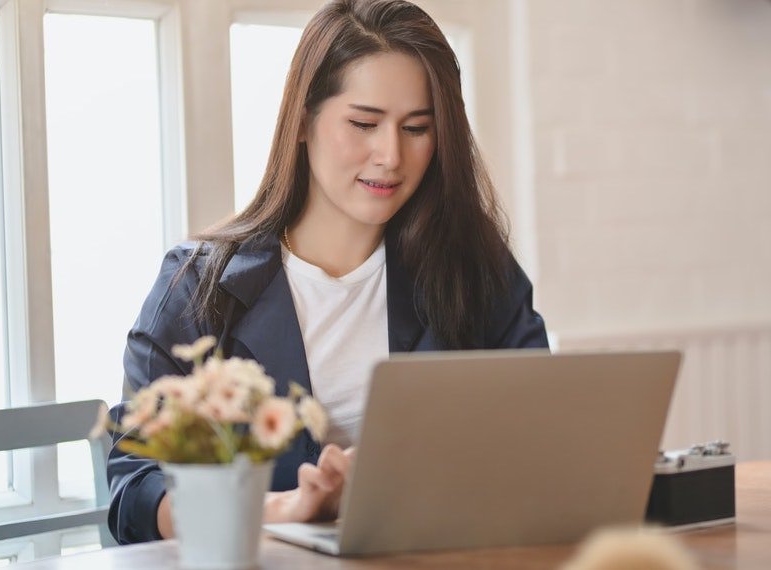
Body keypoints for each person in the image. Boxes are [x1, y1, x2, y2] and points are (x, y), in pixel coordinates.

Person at [106, 0, 548, 545]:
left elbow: (537, 437)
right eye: (364, 123)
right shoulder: (198, 285)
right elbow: (134, 493)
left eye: (416, 128)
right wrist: (283, 507)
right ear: (302, 122)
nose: (390, 155)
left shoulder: (473, 270)